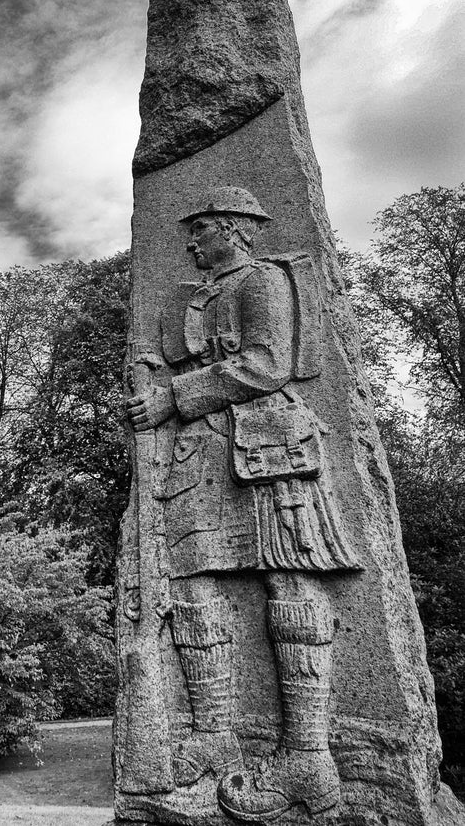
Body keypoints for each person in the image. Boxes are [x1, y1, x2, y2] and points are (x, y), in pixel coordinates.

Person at [126, 187, 360, 822]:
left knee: (290, 581)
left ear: (233, 229)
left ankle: (308, 757)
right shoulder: (197, 294)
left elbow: (266, 363)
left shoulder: (262, 282)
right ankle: (214, 731)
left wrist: (175, 396)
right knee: (193, 582)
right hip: (201, 455)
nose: (192, 240)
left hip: (267, 446)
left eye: (202, 228)